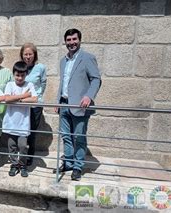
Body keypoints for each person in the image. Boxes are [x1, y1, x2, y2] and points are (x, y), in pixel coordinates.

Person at [53, 28, 102, 181]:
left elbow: (96, 79)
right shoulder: (63, 61)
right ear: (65, 42)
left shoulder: (87, 58)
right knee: (66, 136)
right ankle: (68, 162)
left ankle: (78, 167)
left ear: (79, 40)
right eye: (69, 40)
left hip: (80, 106)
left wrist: (88, 96)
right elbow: (63, 83)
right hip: (64, 104)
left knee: (79, 137)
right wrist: (57, 101)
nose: (71, 43)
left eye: (74, 39)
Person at [2, 61, 38, 178]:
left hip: (23, 123)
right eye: (17, 75)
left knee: (22, 146)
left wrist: (18, 100)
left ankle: (22, 165)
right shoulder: (10, 85)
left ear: (26, 75)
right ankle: (14, 164)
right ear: (14, 74)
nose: (20, 78)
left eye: (22, 75)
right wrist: (23, 96)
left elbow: (34, 99)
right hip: (11, 122)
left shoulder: (29, 85)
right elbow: (7, 99)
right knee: (11, 146)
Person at [20, 42, 47, 166]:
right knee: (21, 130)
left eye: (30, 54)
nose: (28, 56)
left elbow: (43, 84)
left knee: (32, 131)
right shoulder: (20, 67)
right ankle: (21, 153)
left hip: (35, 105)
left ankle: (30, 155)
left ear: (34, 55)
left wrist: (37, 97)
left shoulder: (40, 67)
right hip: (22, 104)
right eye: (25, 54)